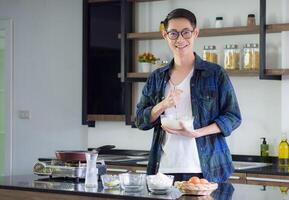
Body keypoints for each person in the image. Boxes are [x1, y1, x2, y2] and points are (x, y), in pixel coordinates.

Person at [135, 8, 241, 183]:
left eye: (186, 32)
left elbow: (233, 117)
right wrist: (162, 105)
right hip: (163, 171)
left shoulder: (215, 73)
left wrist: (197, 133)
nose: (180, 39)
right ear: (165, 35)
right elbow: (140, 120)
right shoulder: (156, 78)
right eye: (173, 33)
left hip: (208, 169)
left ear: (195, 33)